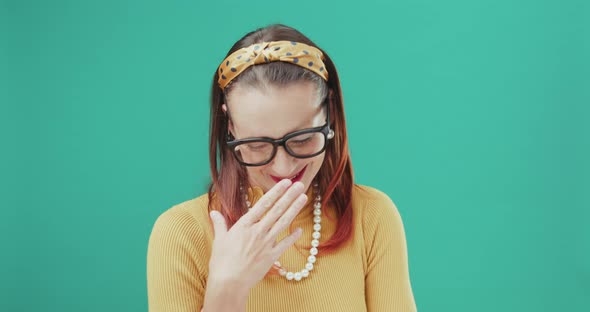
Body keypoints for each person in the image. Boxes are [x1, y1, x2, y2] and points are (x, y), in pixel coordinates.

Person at [147, 24, 417, 312]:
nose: (284, 166)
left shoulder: (371, 217)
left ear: (331, 115)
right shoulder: (181, 234)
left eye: (301, 140)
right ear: (230, 128)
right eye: (258, 145)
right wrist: (227, 290)